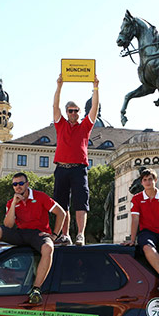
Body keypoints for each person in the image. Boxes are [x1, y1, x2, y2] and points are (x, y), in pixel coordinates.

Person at [0, 172, 66, 304]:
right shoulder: (11, 202)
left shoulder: (40, 196)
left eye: (21, 183)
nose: (18, 186)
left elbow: (61, 213)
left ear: (27, 184)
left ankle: (36, 290)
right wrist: (13, 205)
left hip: (38, 234)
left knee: (48, 247)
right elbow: (8, 225)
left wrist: (54, 235)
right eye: (15, 184)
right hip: (20, 233)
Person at [52, 73, 99, 246]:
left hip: (79, 168)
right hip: (62, 168)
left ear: (80, 113)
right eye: (70, 111)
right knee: (62, 204)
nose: (73, 113)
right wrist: (59, 86)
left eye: (76, 111)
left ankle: (80, 234)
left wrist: (95, 87)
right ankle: (65, 235)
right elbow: (55, 105)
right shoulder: (60, 123)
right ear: (66, 113)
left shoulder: (85, 125)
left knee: (81, 202)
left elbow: (95, 107)